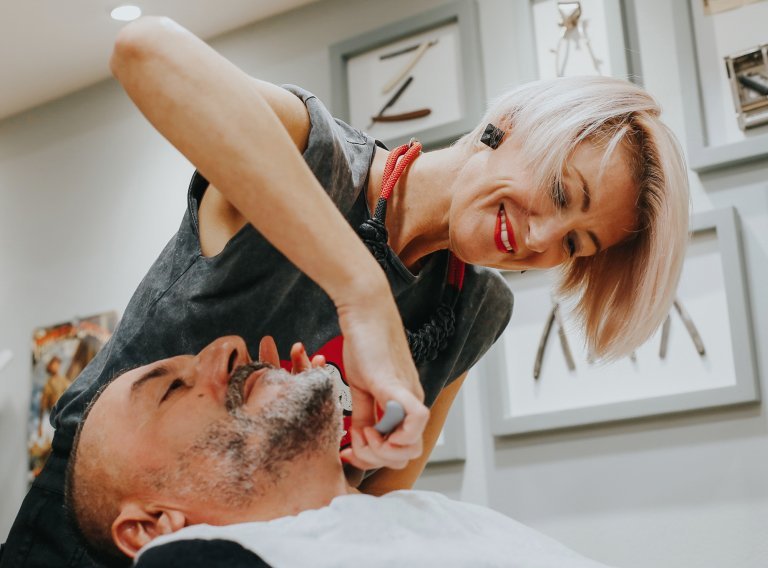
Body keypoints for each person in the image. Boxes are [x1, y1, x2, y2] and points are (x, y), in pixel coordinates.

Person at [0, 16, 689, 568]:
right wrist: (363, 294)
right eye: (564, 194)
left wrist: (366, 456)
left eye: (576, 244)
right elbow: (144, 51)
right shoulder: (318, 157)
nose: (544, 239)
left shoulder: (476, 309)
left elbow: (375, 504)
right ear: (510, 129)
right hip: (87, 528)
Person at [65, 336, 616, 568]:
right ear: (152, 527)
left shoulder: (436, 520)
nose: (230, 345)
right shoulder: (192, 561)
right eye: (173, 389)